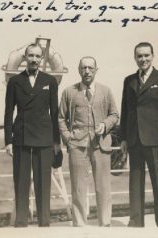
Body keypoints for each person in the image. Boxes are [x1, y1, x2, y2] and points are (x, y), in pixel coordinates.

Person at [120, 42, 158, 227]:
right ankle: (136, 224)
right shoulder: (129, 80)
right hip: (135, 140)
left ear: (153, 56)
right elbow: (125, 110)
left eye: (146, 55)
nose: (143, 59)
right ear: (134, 58)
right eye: (139, 56)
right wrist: (123, 138)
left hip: (157, 141)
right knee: (135, 185)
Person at [4, 43, 61, 227]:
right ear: (25, 58)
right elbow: (8, 112)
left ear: (42, 58)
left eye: (38, 56)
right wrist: (8, 140)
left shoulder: (50, 81)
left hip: (44, 138)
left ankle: (44, 222)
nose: (34, 60)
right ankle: (21, 222)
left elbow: (55, 113)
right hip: (21, 136)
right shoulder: (14, 81)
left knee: (43, 182)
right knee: (21, 180)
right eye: (31, 56)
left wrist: (56, 143)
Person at [58, 56, 119, 227]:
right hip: (77, 146)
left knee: (103, 187)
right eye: (83, 68)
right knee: (78, 188)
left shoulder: (106, 91)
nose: (87, 71)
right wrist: (68, 139)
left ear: (96, 70)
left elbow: (114, 115)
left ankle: (105, 224)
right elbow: (61, 118)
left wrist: (105, 125)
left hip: (101, 145)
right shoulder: (69, 92)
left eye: (90, 68)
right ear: (79, 70)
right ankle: (79, 224)